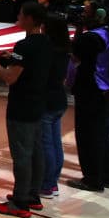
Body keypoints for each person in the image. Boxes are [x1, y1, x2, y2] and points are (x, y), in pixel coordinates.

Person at [0, 1, 53, 217]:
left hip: (21, 106)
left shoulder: (24, 46)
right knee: (36, 150)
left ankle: (19, 202)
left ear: (29, 19)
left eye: (21, 14)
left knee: (22, 154)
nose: (18, 16)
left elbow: (10, 77)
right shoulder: (46, 42)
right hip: (38, 102)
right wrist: (13, 58)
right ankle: (32, 195)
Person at [68, 3, 109, 191]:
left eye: (85, 12)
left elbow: (75, 54)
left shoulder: (90, 38)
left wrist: (78, 29)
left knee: (88, 136)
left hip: (92, 91)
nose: (82, 15)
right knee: (101, 134)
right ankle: (108, 176)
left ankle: (92, 179)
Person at [39, 14, 71, 199]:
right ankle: (53, 182)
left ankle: (47, 184)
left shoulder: (48, 50)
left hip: (48, 100)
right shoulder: (64, 50)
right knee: (55, 142)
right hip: (59, 99)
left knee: (47, 144)